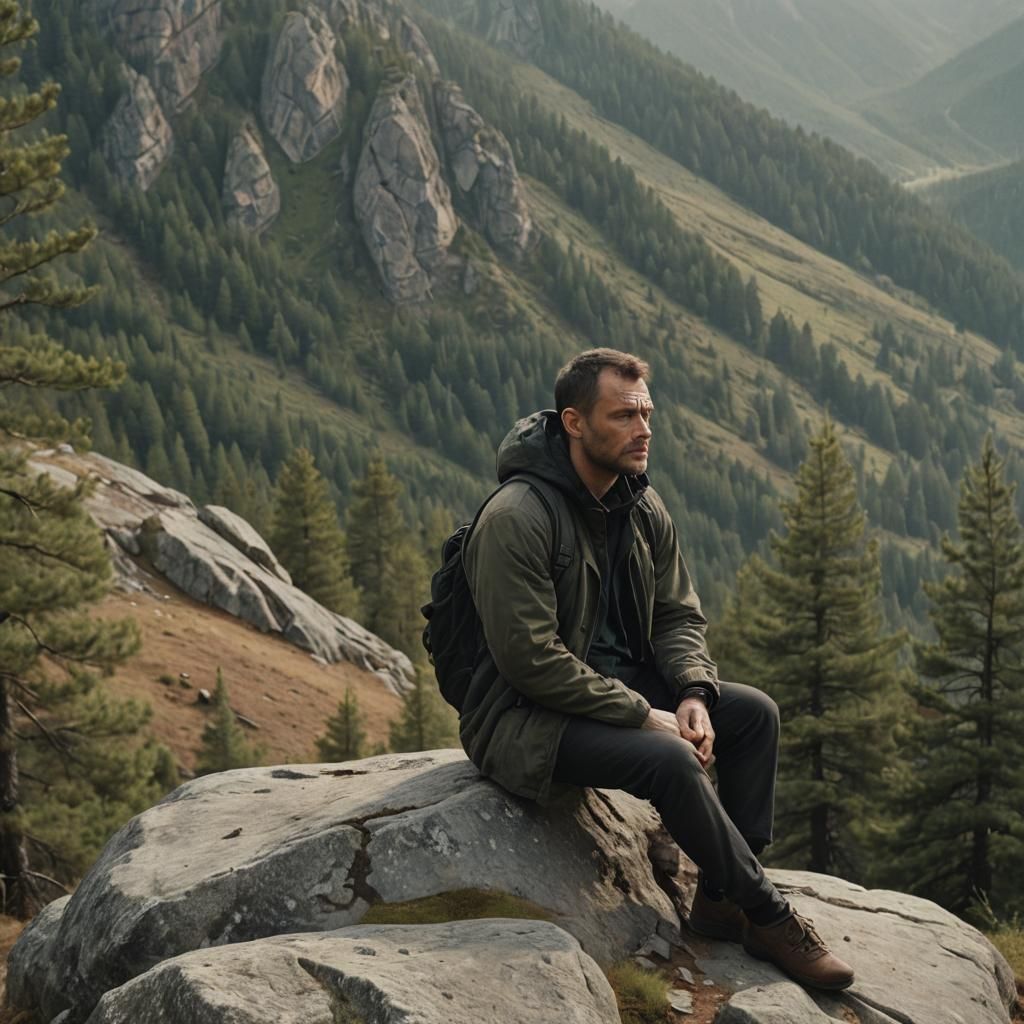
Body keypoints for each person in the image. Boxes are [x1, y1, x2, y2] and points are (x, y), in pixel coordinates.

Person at [460, 348, 854, 991]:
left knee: (752, 714)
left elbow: (677, 616)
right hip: (523, 717)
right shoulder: (518, 517)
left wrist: (693, 692)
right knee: (668, 759)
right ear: (574, 423)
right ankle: (769, 916)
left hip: (616, 691)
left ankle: (723, 899)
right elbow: (530, 661)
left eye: (647, 413)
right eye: (624, 415)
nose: (644, 429)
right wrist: (647, 715)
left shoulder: (640, 506)